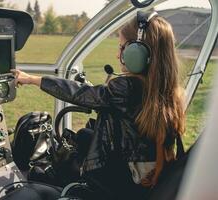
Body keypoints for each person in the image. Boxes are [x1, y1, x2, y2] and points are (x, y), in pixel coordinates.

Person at [11, 11, 185, 200]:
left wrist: (32, 79)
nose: (118, 55)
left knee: (79, 141)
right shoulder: (168, 89)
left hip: (119, 181)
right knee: (86, 134)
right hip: (144, 176)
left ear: (139, 54)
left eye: (122, 48)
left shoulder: (126, 86)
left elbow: (81, 94)